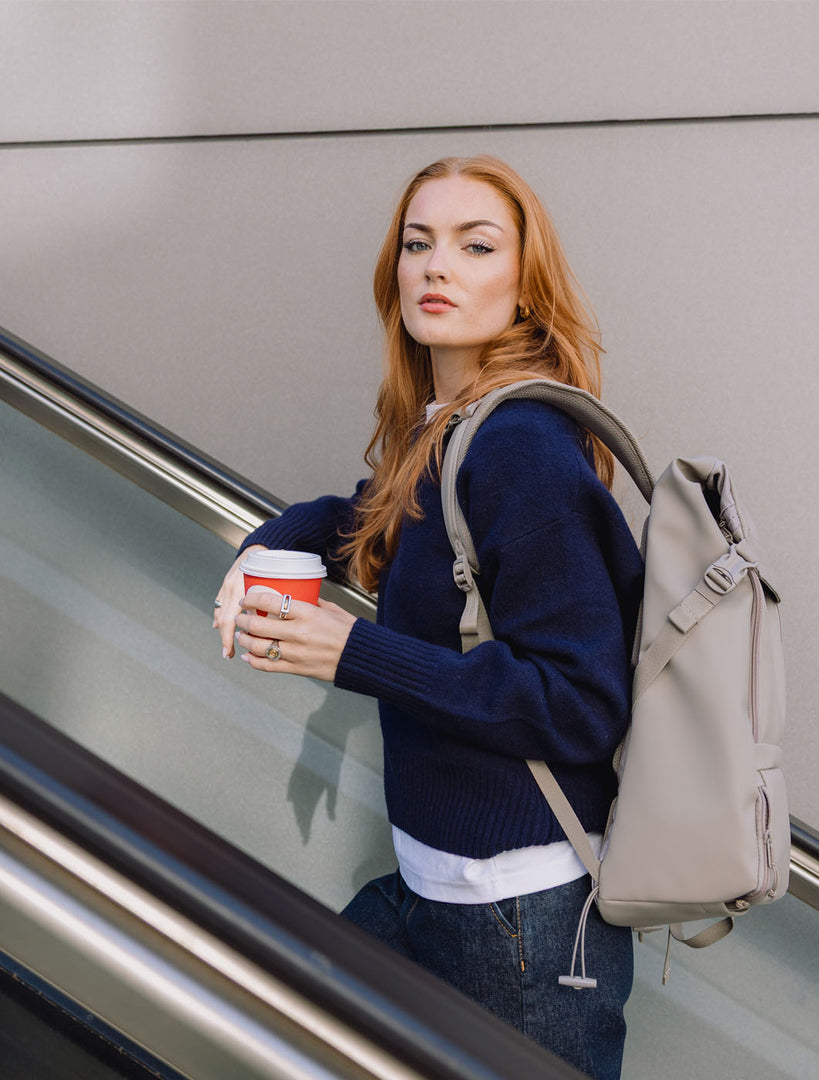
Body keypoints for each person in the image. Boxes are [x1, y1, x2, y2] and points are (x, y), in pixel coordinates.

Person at [212, 155, 643, 1079]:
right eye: (418, 244)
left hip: (521, 925)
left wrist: (354, 651)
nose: (435, 266)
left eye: (474, 244)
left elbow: (579, 703)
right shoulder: (449, 424)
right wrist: (267, 546)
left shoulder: (522, 448)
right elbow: (367, 521)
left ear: (524, 289)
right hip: (435, 892)